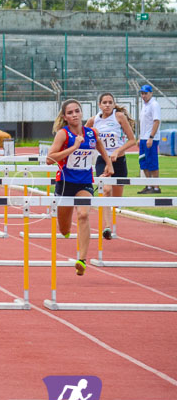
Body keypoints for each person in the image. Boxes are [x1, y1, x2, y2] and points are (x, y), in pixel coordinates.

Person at [47, 99, 113, 276]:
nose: (74, 114)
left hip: (84, 182)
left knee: (83, 214)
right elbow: (49, 158)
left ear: (82, 113)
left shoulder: (91, 132)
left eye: (77, 111)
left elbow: (99, 144)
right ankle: (67, 232)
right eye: (70, 113)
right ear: (65, 117)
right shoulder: (63, 134)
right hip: (65, 184)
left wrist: (108, 162)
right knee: (64, 229)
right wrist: (74, 147)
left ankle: (81, 260)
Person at [85, 92, 137, 238]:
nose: (107, 105)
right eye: (104, 102)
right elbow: (82, 135)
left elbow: (132, 140)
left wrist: (117, 151)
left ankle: (113, 213)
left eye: (110, 102)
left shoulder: (119, 117)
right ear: (99, 105)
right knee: (105, 190)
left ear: (114, 104)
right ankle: (107, 227)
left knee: (116, 201)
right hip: (102, 160)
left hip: (119, 161)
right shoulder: (93, 121)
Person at [137, 85, 162, 194]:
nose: (143, 95)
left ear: (151, 93)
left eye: (145, 93)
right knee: (143, 162)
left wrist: (151, 137)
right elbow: (143, 123)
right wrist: (140, 137)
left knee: (152, 163)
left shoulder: (154, 105)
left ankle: (156, 187)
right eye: (142, 93)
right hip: (143, 138)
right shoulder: (144, 105)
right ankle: (149, 185)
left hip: (151, 138)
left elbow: (156, 121)